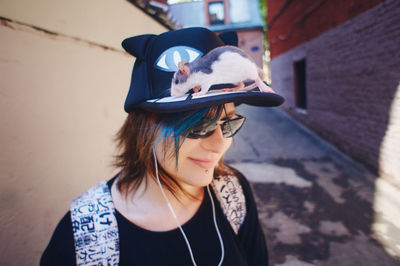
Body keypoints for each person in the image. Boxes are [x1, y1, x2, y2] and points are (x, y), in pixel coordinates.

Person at [40, 27, 284, 266]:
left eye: (229, 123)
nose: (222, 144)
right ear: (145, 128)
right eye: (199, 127)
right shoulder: (86, 234)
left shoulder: (233, 192)